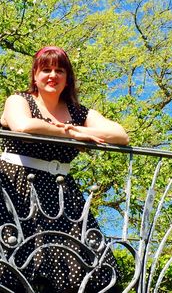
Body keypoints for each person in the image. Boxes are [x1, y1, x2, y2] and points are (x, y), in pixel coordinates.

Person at [0, 46, 129, 293]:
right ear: (35, 76)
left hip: (61, 193)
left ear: (67, 78)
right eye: (46, 69)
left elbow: (119, 135)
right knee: (17, 260)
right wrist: (67, 131)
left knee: (84, 265)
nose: (53, 75)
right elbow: (23, 126)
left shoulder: (78, 112)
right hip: (15, 187)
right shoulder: (19, 100)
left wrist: (79, 129)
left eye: (59, 70)